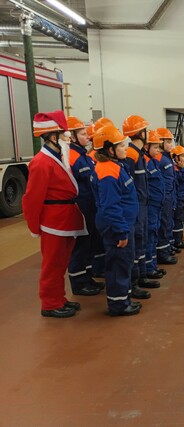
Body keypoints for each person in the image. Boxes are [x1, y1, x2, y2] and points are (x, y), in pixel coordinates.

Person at [22, 110, 87, 318]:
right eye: (64, 133)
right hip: (54, 221)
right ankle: (50, 303)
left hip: (65, 218)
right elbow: (32, 198)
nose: (68, 137)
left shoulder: (58, 157)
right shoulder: (41, 162)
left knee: (61, 263)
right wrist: (34, 226)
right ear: (52, 136)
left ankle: (59, 298)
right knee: (52, 264)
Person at [91, 125, 142, 316]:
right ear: (109, 149)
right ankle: (118, 305)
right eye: (121, 146)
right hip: (117, 227)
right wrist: (121, 231)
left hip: (123, 223)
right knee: (118, 264)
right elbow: (111, 206)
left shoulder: (115, 166)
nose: (125, 149)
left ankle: (124, 299)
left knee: (124, 262)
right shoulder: (107, 172)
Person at [66, 116, 103, 296]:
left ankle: (87, 277)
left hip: (90, 206)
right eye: (82, 133)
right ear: (71, 137)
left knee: (89, 244)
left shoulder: (82, 155)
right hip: (81, 207)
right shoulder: (71, 157)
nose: (87, 137)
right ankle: (79, 283)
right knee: (80, 246)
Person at [122, 115, 157, 296]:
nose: (147, 132)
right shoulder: (131, 154)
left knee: (141, 240)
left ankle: (141, 275)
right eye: (144, 129)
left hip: (142, 205)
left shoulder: (138, 154)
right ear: (138, 133)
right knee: (135, 244)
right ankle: (133, 283)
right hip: (135, 206)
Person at [143, 130, 166, 280]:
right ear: (146, 146)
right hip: (150, 205)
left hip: (156, 205)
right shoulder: (144, 162)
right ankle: (148, 269)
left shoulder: (151, 161)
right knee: (149, 236)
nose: (158, 151)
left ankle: (152, 266)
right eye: (155, 147)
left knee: (154, 234)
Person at [155, 127, 178, 265]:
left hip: (171, 195)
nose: (171, 145)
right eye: (168, 142)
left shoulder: (167, 158)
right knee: (163, 224)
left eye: (171, 142)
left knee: (168, 222)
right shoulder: (159, 159)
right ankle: (162, 253)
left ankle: (167, 247)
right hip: (164, 197)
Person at [171, 145, 184, 249]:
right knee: (178, 219)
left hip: (183, 196)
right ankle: (177, 241)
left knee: (181, 218)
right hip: (178, 197)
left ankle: (179, 238)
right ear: (176, 158)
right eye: (182, 156)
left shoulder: (183, 167)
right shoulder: (176, 169)